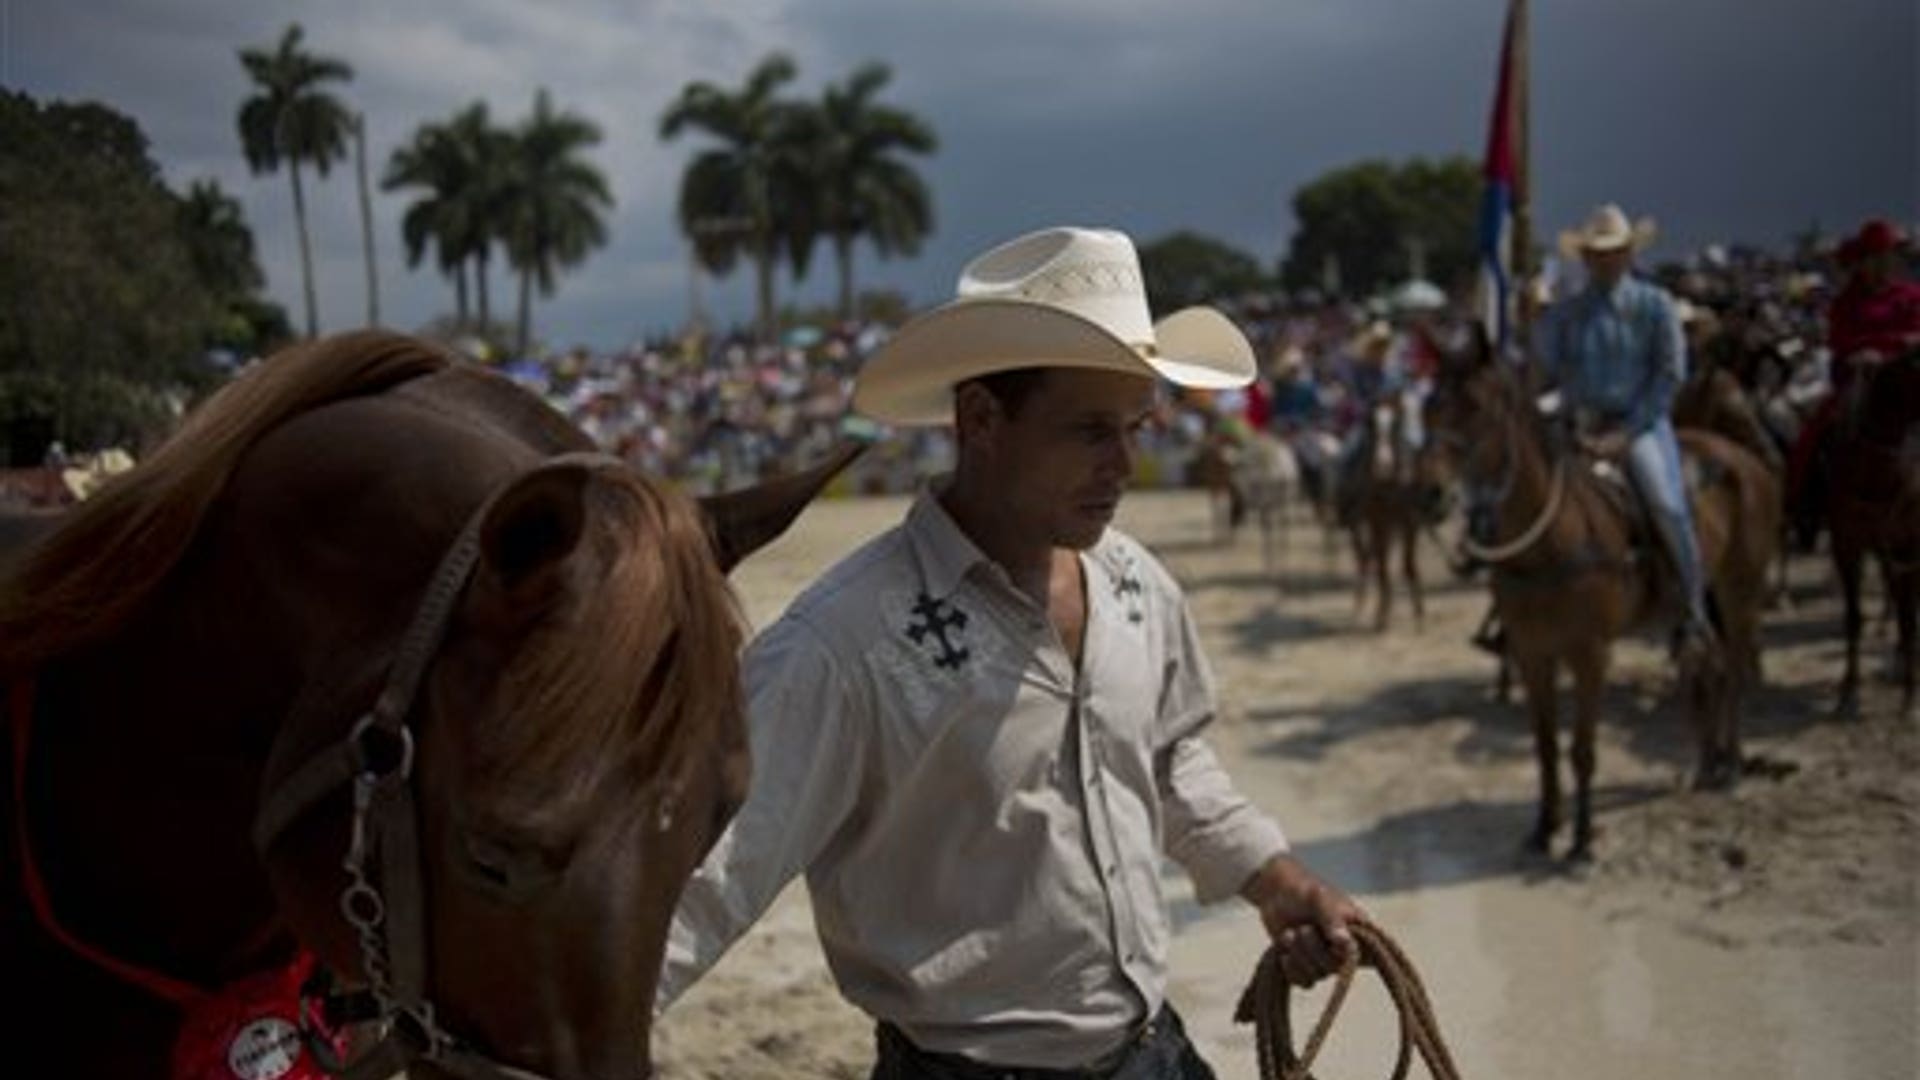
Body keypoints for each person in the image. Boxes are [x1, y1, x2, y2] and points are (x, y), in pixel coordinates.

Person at [659, 226, 1365, 1079]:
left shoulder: (1137, 586)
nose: (1124, 463)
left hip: (1154, 1055)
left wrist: (1278, 881)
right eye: (1091, 431)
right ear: (982, 419)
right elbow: (708, 877)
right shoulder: (842, 644)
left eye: (1136, 427)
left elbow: (1168, 760)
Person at [1534, 203, 1716, 659]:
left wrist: (1628, 432)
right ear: (1585, 258)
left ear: (1629, 254)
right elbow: (1547, 368)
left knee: (1665, 503)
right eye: (1596, 253)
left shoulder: (1655, 305)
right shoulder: (1567, 313)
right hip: (1581, 423)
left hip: (1641, 424)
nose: (1604, 261)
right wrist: (1530, 324)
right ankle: (1520, 611)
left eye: (1612, 252)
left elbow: (1669, 376)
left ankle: (1692, 608)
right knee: (1531, 494)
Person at [1786, 218, 1920, 547]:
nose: (1884, 263)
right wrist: (1861, 354)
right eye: (1877, 257)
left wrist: (1894, 349)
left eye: (1888, 256)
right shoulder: (1846, 301)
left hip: (1908, 378)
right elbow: (1839, 342)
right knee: (1817, 431)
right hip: (1860, 380)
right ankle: (1804, 503)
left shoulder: (1911, 296)